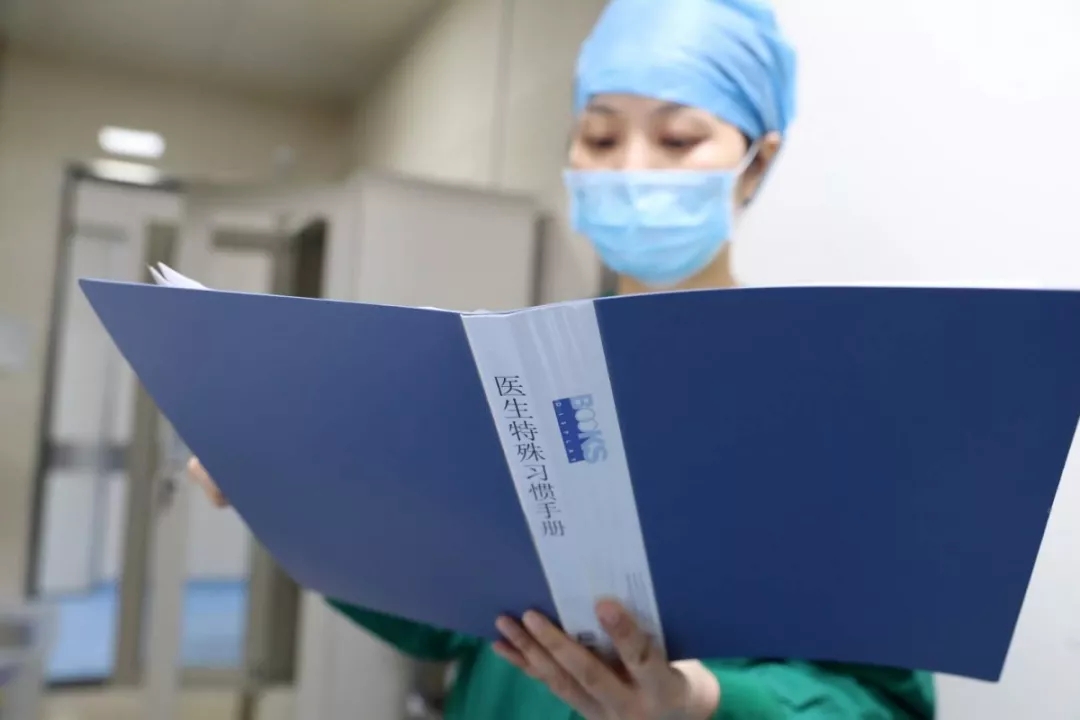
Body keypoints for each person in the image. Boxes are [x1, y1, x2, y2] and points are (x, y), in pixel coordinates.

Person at [188, 0, 937, 717]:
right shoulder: (524, 377)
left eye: (678, 140)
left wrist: (703, 703)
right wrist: (293, 498)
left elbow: (881, 705)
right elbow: (452, 622)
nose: (631, 169)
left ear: (756, 163)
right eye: (601, 139)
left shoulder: (827, 406)